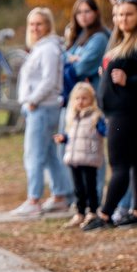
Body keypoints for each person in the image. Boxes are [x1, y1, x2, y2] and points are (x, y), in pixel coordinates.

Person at [82, 0, 137, 231]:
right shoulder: (121, 40)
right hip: (117, 111)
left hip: (126, 113)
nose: (123, 19)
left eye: (128, 14)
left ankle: (105, 215)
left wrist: (130, 80)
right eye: (119, 14)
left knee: (118, 164)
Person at [9, 7, 74, 217]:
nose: (35, 28)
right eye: (32, 24)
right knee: (47, 155)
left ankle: (34, 199)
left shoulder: (48, 49)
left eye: (40, 24)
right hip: (39, 107)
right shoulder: (40, 48)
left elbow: (49, 81)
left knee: (33, 155)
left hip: (42, 108)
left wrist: (32, 101)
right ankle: (60, 195)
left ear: (48, 26)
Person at [55, 82, 106, 228]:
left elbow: (103, 131)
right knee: (78, 188)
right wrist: (63, 138)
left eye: (84, 98)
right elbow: (72, 135)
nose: (80, 102)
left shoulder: (96, 117)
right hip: (74, 158)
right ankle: (80, 212)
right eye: (77, 99)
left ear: (91, 100)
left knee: (90, 186)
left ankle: (92, 211)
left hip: (89, 158)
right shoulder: (73, 118)